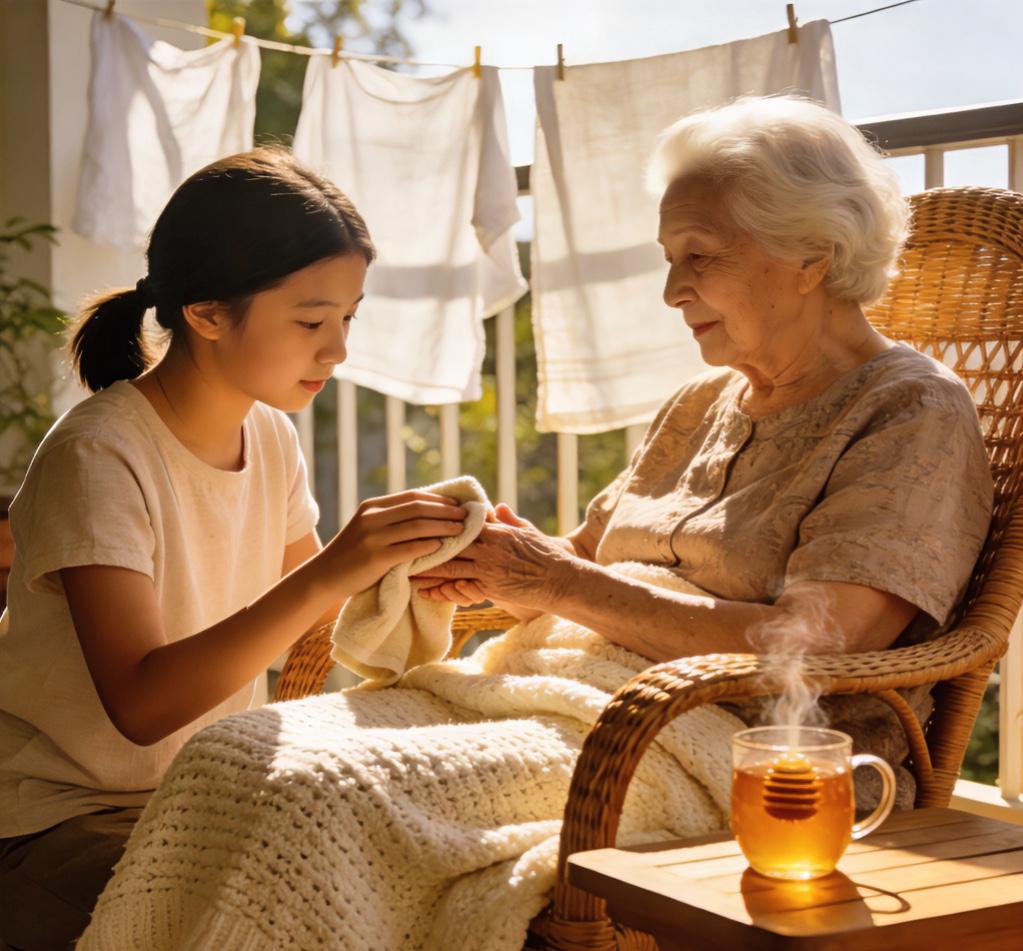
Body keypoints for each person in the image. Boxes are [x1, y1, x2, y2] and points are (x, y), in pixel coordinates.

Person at [75, 97, 993, 951]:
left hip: (729, 747)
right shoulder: (698, 401)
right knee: (237, 750)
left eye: (699, 254)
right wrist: (488, 564)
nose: (672, 288)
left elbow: (817, 643)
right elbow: (584, 570)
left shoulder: (907, 410)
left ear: (811, 255)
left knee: (323, 790)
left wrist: (552, 581)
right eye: (669, 256)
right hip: (559, 696)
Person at [0, 148, 468, 951]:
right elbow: (142, 705)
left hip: (201, 797)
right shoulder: (100, 454)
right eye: (311, 321)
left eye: (348, 319)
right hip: (57, 816)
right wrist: (337, 565)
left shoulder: (270, 436)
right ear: (207, 313)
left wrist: (427, 566)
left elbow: (321, 611)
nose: (337, 350)